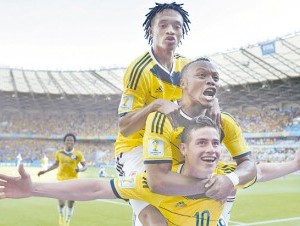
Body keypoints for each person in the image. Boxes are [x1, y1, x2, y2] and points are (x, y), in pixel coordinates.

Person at [1, 118, 299, 226]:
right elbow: (95, 188)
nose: (212, 149)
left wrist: (295, 164)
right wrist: (33, 190)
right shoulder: (153, 182)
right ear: (183, 149)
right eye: (202, 142)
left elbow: (261, 169)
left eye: (216, 143)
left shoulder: (224, 176)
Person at [142, 57, 258, 225]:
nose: (211, 81)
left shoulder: (225, 122)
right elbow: (158, 181)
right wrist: (215, 186)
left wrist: (229, 180)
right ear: (183, 83)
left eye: (215, 78)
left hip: (205, 206)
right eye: (202, 75)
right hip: (165, 203)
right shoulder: (162, 119)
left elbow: (249, 165)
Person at [114, 2, 194, 225]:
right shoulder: (139, 70)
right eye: (164, 25)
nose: (171, 30)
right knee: (155, 219)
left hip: (172, 145)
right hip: (136, 149)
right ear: (152, 30)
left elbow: (204, 97)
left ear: (182, 32)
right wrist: (154, 106)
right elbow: (125, 126)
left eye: (177, 26)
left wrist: (213, 101)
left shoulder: (188, 67)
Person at [37, 133, 87, 226]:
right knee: (61, 202)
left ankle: (67, 220)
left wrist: (80, 169)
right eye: (67, 140)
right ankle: (61, 216)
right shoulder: (59, 153)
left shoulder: (78, 154)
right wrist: (45, 171)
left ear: (74, 142)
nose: (69, 141)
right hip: (61, 179)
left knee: (71, 202)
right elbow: (56, 164)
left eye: (71, 140)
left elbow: (85, 166)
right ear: (64, 142)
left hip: (73, 180)